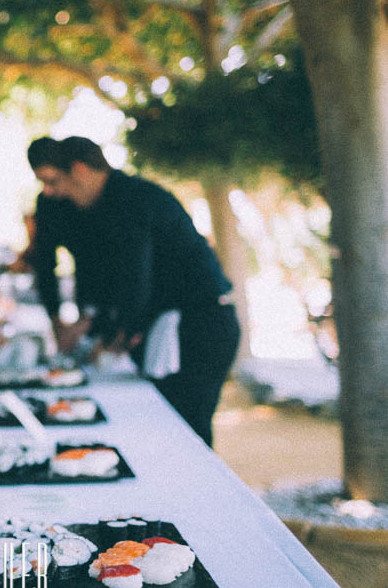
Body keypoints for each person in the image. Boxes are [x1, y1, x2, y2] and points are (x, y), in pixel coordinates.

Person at [26, 136, 238, 446]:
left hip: (200, 324)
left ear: (80, 170)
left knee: (187, 435)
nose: (50, 191)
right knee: (154, 436)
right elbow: (78, 269)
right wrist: (76, 320)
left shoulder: (133, 199)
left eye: (53, 181)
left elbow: (135, 280)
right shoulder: (70, 204)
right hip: (159, 324)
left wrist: (110, 331)